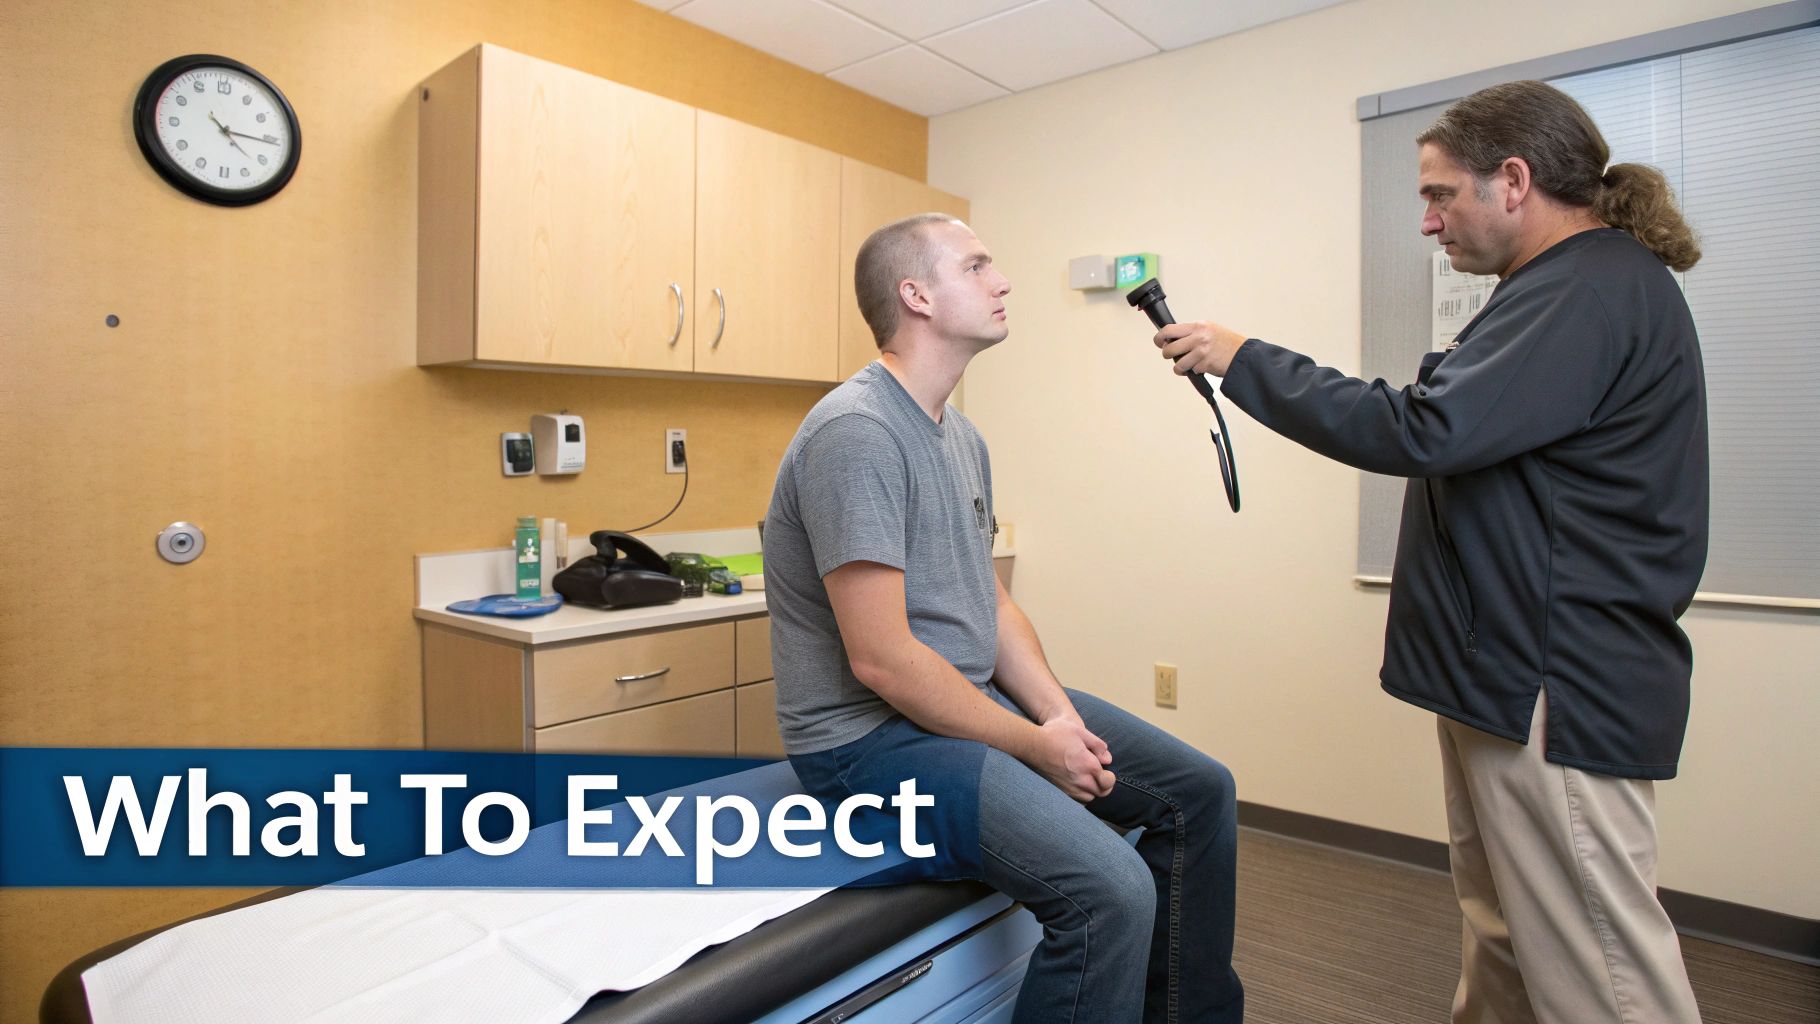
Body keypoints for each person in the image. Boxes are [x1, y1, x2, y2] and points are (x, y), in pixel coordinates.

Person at [1153, 80, 1707, 1023]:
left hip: (1553, 682)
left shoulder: (1588, 287)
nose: (1427, 221)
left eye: (1441, 195)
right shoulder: (1553, 290)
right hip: (1506, 673)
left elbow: (1425, 431)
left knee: (1604, 972)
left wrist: (1242, 357)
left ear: (1515, 182)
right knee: (1503, 930)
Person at [764, 213, 1245, 1023]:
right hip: (866, 743)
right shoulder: (856, 433)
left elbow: (991, 602)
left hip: (958, 703)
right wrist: (1032, 744)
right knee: (1111, 891)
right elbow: (880, 660)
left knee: (1199, 794)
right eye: (977, 264)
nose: (1003, 280)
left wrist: (1056, 715)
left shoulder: (962, 438)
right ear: (915, 295)